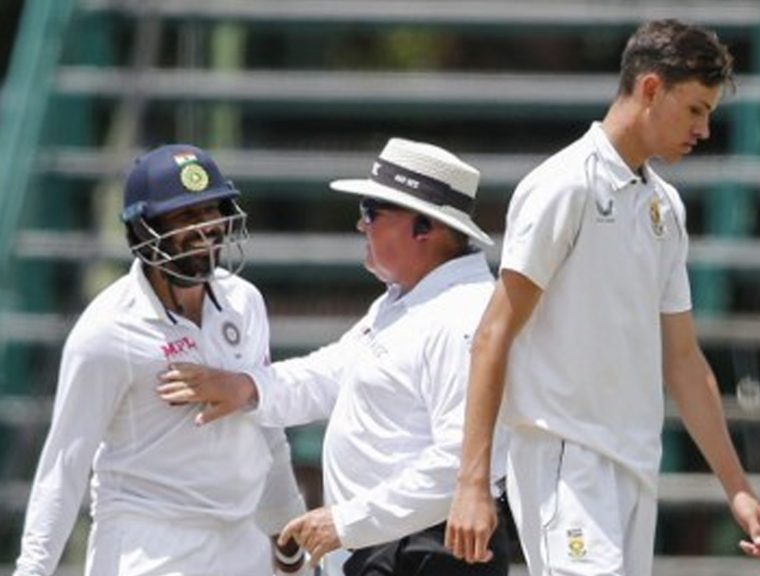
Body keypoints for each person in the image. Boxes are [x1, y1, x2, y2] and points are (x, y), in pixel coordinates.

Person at [445, 18, 760, 575]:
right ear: (649, 89)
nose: (704, 130)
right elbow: (492, 335)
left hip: (636, 467)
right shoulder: (562, 185)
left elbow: (685, 362)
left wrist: (737, 490)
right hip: (564, 459)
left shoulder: (666, 207)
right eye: (695, 109)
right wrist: (471, 484)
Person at [157, 137, 513, 576]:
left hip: (427, 554)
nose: (361, 226)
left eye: (371, 211)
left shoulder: (462, 316)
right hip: (391, 550)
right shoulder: (407, 303)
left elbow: (465, 464)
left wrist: (347, 521)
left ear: (425, 228)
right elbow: (333, 371)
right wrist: (247, 387)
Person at [14, 144, 307, 576]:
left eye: (212, 211)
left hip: (240, 540)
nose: (205, 229)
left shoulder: (244, 302)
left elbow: (266, 427)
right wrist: (32, 571)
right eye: (185, 217)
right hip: (148, 546)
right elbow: (65, 464)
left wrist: (287, 537)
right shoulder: (107, 331)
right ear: (144, 231)